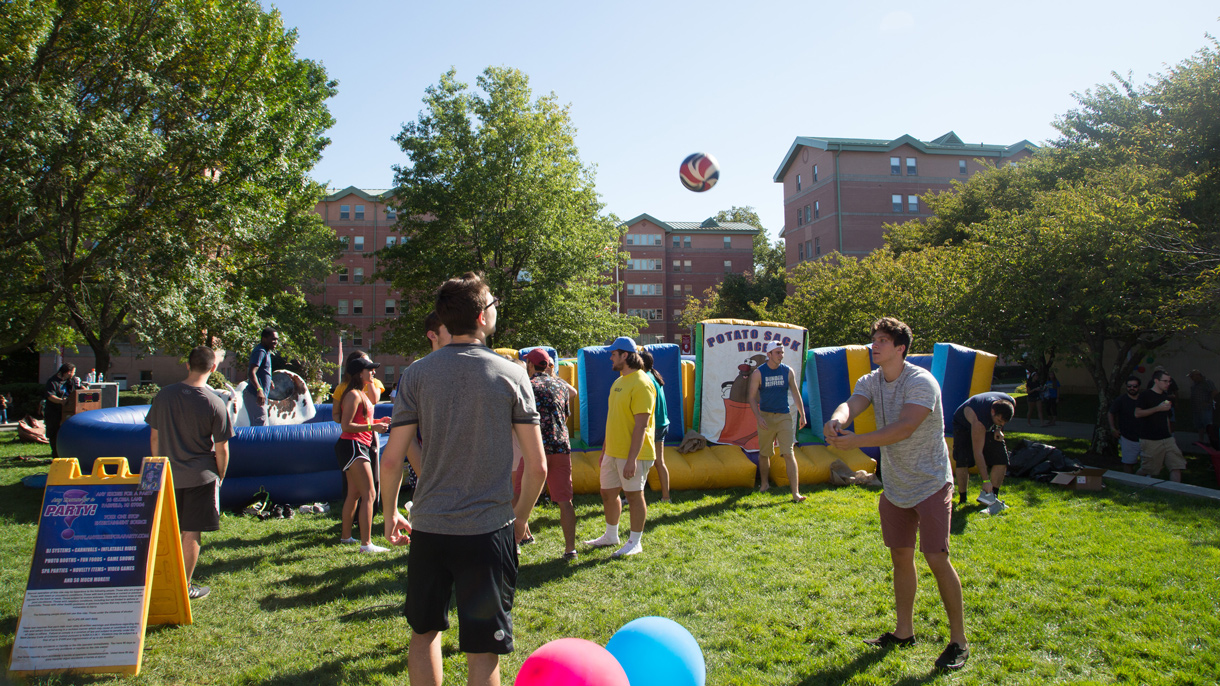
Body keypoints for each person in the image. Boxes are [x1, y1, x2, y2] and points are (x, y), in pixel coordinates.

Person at [379, 272, 547, 686]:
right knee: (484, 650)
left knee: (423, 635)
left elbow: (392, 459)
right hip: (488, 532)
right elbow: (538, 466)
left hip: (429, 528)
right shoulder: (512, 374)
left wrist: (389, 514)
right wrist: (520, 519)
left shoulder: (416, 374)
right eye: (492, 303)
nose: (496, 310)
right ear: (480, 315)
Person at [824, 317, 969, 671]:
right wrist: (836, 420)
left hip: (931, 481)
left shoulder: (921, 382)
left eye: (883, 340)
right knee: (901, 559)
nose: (875, 345)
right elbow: (852, 404)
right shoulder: (871, 380)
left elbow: (905, 428)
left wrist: (855, 440)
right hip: (896, 485)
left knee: (937, 558)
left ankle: (959, 641)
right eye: (873, 339)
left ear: (900, 348)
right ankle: (904, 632)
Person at [146, 346, 234, 600]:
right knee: (191, 533)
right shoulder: (215, 403)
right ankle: (183, 588)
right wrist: (220, 475)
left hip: (166, 475)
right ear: (213, 368)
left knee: (163, 531)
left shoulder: (164, 395)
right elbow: (222, 449)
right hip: (200, 476)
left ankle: (157, 582)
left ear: (187, 365)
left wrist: (157, 469)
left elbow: (154, 438)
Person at [585, 337, 656, 558]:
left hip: (633, 454)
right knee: (607, 493)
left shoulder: (642, 383)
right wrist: (606, 448)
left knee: (634, 496)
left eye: (613, 353)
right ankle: (611, 535)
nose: (610, 357)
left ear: (625, 355)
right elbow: (613, 418)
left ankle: (635, 542)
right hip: (613, 452)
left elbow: (641, 425)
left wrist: (632, 459)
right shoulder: (618, 381)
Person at [517, 348, 579, 560]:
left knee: (518, 496)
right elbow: (568, 409)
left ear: (531, 365)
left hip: (536, 449)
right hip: (561, 447)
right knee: (565, 501)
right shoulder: (561, 386)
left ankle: (516, 542)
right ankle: (570, 548)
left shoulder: (527, 385)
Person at [335, 356, 391, 552]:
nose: (373, 372)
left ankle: (346, 537)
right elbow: (346, 424)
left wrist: (377, 420)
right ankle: (366, 544)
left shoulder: (362, 393)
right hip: (353, 445)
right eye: (370, 370)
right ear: (360, 373)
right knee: (370, 493)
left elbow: (363, 418)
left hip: (358, 444)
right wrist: (373, 426)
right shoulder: (352, 395)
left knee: (355, 493)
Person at [749, 340, 807, 503]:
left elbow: (796, 394)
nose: (781, 355)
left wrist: (802, 414)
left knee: (788, 453)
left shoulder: (787, 371)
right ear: (769, 355)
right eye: (778, 352)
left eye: (782, 352)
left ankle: (795, 493)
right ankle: (765, 484)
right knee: (764, 453)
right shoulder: (759, 373)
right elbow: (752, 397)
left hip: (784, 417)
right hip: (766, 417)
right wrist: (758, 417)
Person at [951, 392, 1015, 505]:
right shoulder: (979, 421)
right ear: (993, 411)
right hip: (962, 424)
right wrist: (985, 480)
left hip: (988, 419)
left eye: (1005, 422)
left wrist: (998, 428)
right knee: (963, 460)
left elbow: (1009, 407)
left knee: (1001, 458)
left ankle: (992, 497)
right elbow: (978, 453)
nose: (1002, 423)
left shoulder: (1008, 401)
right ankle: (962, 499)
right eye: (1000, 421)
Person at [1135, 370, 1185, 482]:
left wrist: (1170, 434)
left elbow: (1166, 417)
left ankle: (1175, 492)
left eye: (1169, 381)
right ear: (1156, 381)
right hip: (1150, 439)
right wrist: (1158, 408)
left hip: (1167, 438)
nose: (1168, 384)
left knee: (1176, 465)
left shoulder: (1165, 396)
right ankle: (1133, 482)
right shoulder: (1145, 395)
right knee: (1148, 469)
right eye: (1165, 381)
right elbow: (1137, 413)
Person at [640, 350, 672, 503]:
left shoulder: (645, 379)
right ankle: (666, 497)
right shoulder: (655, 376)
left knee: (637, 460)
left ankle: (632, 496)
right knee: (660, 462)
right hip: (662, 423)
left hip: (654, 425)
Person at [1108, 376, 1143, 473]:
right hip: (1127, 437)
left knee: (1148, 463)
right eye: (1129, 386)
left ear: (1139, 387)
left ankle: (1145, 481)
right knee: (1128, 462)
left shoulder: (1144, 399)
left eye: (1134, 386)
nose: (1132, 388)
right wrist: (1113, 428)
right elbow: (1111, 413)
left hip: (1145, 436)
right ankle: (1129, 481)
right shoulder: (1121, 400)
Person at [245, 327, 278, 426]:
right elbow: (251, 372)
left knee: (262, 426)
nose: (275, 342)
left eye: (277, 339)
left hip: (259, 397)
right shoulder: (260, 351)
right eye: (273, 339)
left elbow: (262, 370)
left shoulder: (266, 351)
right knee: (261, 428)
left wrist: (269, 380)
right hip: (255, 396)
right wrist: (259, 389)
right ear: (264, 338)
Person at [43, 364, 77, 458]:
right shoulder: (52, 381)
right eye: (73, 372)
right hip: (54, 412)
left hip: (68, 411)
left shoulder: (72, 380)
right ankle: (56, 455)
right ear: (68, 372)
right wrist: (61, 401)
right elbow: (50, 396)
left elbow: (79, 389)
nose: (74, 374)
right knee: (54, 434)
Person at [1187, 370, 1217, 446]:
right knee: (1199, 425)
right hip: (1196, 408)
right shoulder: (1195, 384)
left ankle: (1212, 441)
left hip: (1206, 408)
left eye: (1192, 376)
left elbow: (1214, 392)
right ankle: (1201, 440)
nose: (1191, 378)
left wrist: (1209, 402)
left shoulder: (1207, 382)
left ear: (1198, 375)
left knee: (1208, 425)